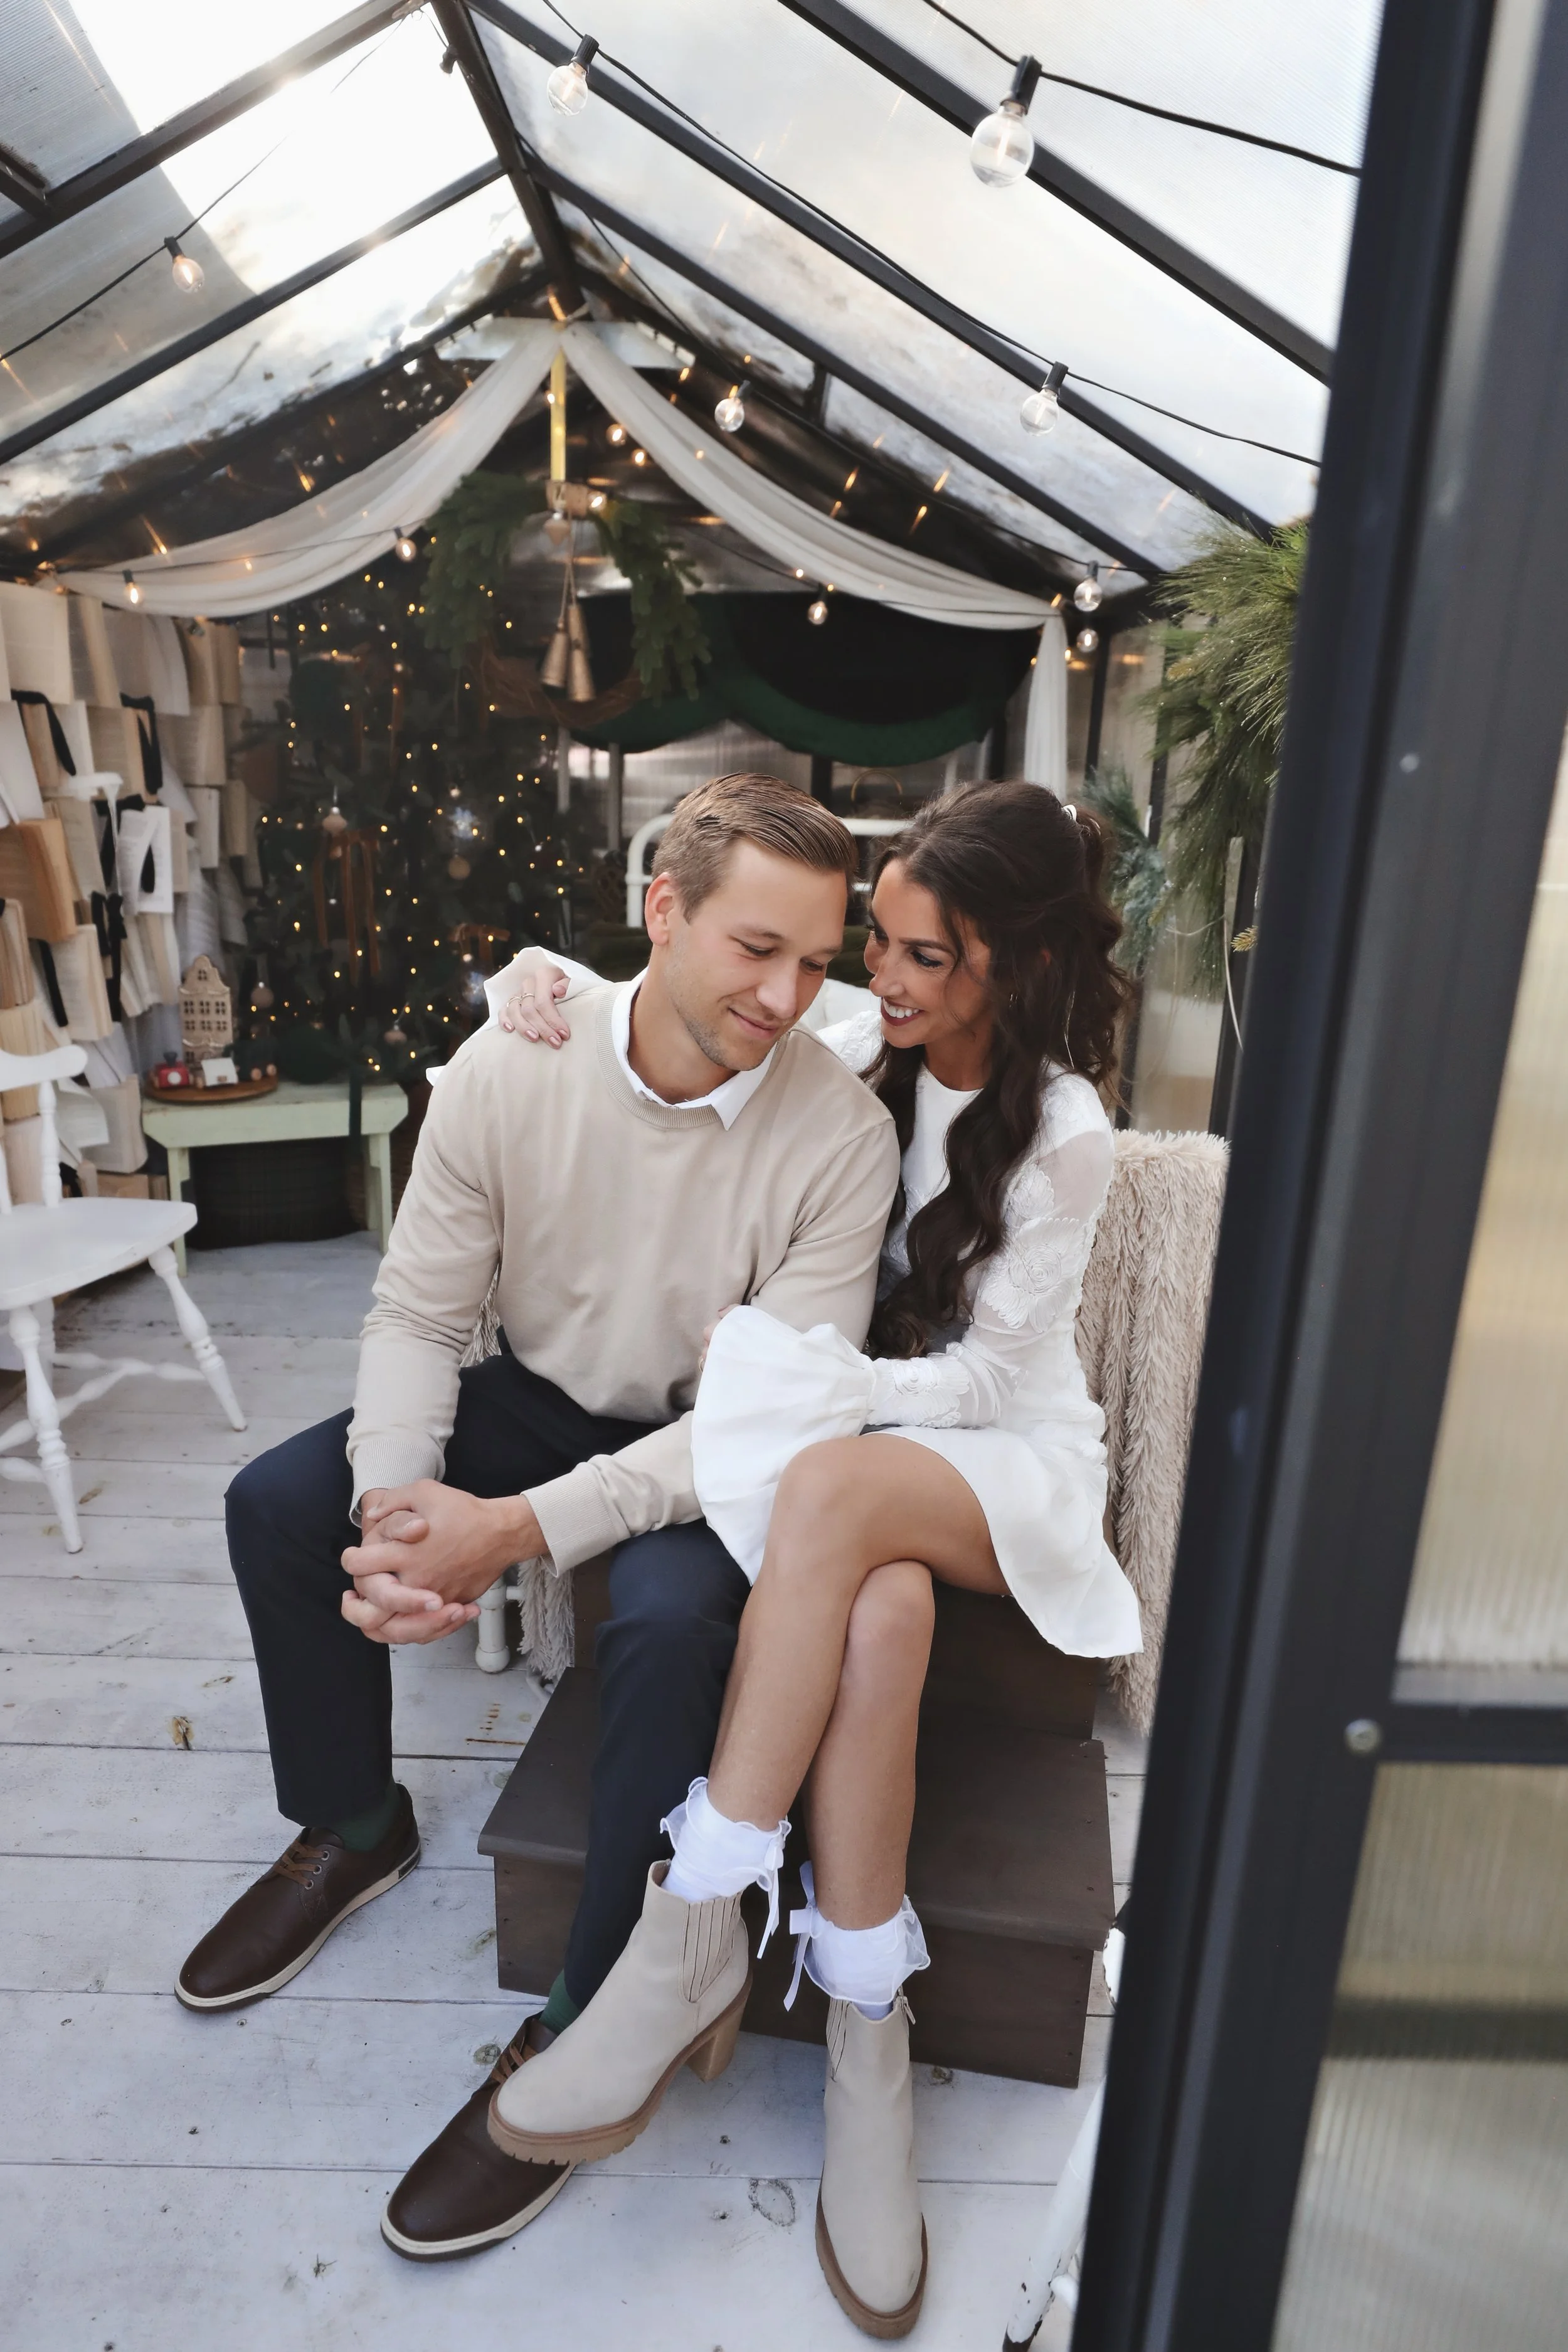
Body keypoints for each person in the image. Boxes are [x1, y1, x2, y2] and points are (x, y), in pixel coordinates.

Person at [172, 773, 901, 2264]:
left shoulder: (840, 1141)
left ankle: (578, 2025)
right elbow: (419, 1311)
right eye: (754, 946)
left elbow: (764, 1429)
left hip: (711, 1448)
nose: (784, 991)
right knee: (278, 1506)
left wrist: (513, 1533)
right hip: (546, 1393)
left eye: (816, 962)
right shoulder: (513, 1060)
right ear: (663, 912)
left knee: (665, 1628)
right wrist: (396, 1517)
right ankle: (354, 1824)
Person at [492, 780, 1143, 2337]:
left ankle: (693, 1919)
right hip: (876, 1469)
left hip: (1006, 1461)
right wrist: (533, 978)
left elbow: (988, 1383)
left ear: (1017, 962)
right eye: (886, 946)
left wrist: (811, 1390)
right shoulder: (858, 1041)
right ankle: (867, 2035)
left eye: (927, 956)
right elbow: (668, 982)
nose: (887, 981)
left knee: (839, 1494)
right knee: (879, 1605)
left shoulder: (1066, 1136)